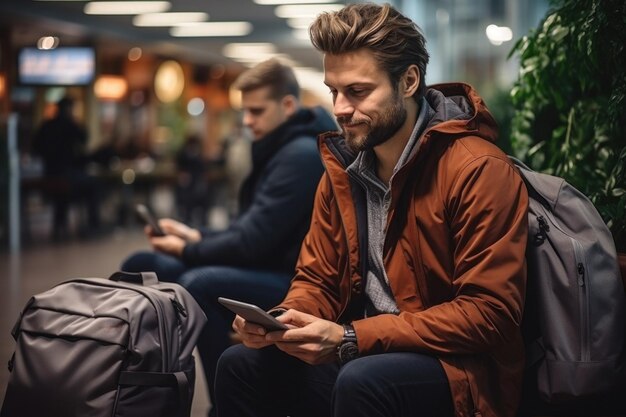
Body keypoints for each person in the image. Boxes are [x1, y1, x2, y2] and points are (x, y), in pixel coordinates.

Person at [215, 4, 529, 417]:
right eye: (334, 91)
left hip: (458, 369)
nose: (341, 108)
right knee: (240, 365)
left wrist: (351, 337)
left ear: (409, 81)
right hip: (364, 348)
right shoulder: (343, 171)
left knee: (362, 381)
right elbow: (318, 279)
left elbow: (490, 313)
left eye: (358, 91)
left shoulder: (477, 169)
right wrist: (284, 321)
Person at [121, 58, 336, 416]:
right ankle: (135, 392)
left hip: (293, 279)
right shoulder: (281, 147)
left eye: (256, 111)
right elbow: (251, 228)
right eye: (245, 112)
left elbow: (253, 242)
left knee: (200, 282)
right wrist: (196, 235)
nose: (247, 121)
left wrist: (190, 248)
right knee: (143, 264)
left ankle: (226, 403)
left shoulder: (298, 155)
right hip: (269, 263)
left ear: (287, 106)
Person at [32, 96, 101, 239]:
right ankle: (93, 227)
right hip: (66, 176)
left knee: (63, 197)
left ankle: (60, 227)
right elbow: (84, 138)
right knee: (94, 185)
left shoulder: (46, 125)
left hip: (49, 175)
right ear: (69, 109)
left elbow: (35, 149)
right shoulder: (70, 124)